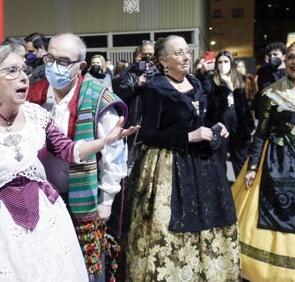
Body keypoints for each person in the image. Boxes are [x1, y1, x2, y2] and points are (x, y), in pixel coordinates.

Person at [0, 44, 138, 281]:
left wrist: (104, 141)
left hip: (45, 219)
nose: (23, 77)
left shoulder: (36, 115)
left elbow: (68, 150)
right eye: (11, 70)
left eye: (24, 70)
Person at [123, 35, 240, 281]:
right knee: (170, 223)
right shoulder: (155, 88)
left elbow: (199, 121)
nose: (185, 57)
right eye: (177, 53)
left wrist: (215, 126)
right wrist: (188, 136)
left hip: (201, 163)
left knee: (208, 216)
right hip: (167, 164)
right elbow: (149, 134)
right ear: (163, 61)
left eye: (186, 51)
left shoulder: (196, 83)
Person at [41, 32, 130, 281]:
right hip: (45, 198)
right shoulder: (35, 95)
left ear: (80, 66)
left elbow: (115, 154)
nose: (53, 66)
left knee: (88, 265)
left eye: (63, 61)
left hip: (85, 197)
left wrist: (107, 199)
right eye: (50, 58)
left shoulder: (97, 97)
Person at [233, 40, 295, 282]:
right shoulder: (271, 93)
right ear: (285, 61)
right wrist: (253, 167)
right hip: (277, 165)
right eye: (291, 57)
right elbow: (261, 133)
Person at [199, 50, 255, 178]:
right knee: (219, 159)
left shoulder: (240, 79)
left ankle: (241, 192)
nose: (223, 64)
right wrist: (202, 73)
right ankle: (222, 192)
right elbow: (204, 90)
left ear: (231, 63)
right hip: (219, 121)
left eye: (226, 61)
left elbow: (246, 105)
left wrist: (250, 125)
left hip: (239, 121)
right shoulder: (212, 79)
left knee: (241, 158)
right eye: (219, 62)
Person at [116, 40, 157, 168]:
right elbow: (122, 91)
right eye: (145, 54)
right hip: (136, 119)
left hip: (155, 119)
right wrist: (136, 84)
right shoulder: (132, 72)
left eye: (151, 54)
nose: (148, 57)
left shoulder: (162, 72)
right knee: (133, 157)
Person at [254, 42, 286, 118]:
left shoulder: (291, 73)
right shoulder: (263, 73)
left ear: (284, 56)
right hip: (268, 116)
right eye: (270, 55)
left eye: (275, 54)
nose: (272, 57)